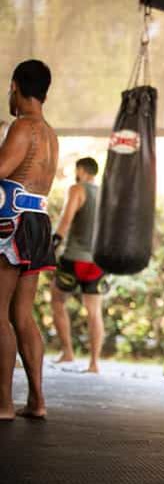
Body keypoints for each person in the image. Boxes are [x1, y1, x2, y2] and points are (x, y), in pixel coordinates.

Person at [0, 59, 58, 420]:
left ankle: (3, 404)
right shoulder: (50, 132)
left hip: (12, 226)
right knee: (22, 315)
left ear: (16, 87)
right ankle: (37, 401)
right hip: (37, 223)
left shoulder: (23, 126)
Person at [51, 156, 108, 373]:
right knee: (94, 310)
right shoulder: (105, 193)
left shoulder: (77, 189)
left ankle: (67, 352)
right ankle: (94, 363)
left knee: (57, 300)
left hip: (74, 259)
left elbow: (65, 221)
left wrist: (52, 245)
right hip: (98, 262)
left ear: (81, 170)